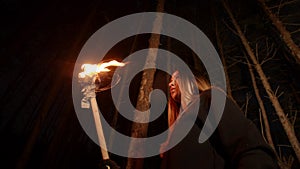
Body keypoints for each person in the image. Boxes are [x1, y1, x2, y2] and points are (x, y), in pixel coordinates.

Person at [160, 70, 279, 169]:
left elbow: (249, 149)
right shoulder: (174, 131)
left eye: (177, 78)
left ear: (191, 79)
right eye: (170, 80)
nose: (171, 83)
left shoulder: (210, 99)